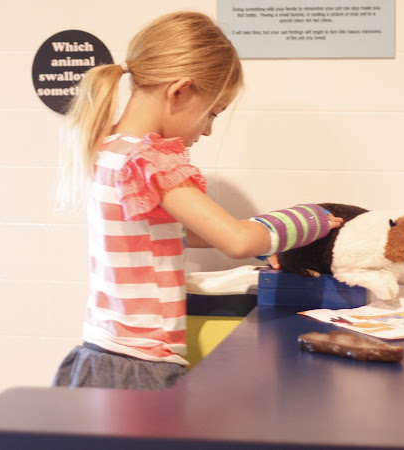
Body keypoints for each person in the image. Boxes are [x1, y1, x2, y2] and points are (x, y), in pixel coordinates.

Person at [52, 11, 343, 390]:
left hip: (99, 356)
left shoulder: (108, 148)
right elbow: (237, 240)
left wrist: (268, 247)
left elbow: (173, 232)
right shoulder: (150, 160)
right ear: (180, 92)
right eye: (212, 114)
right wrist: (313, 219)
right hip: (140, 366)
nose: (207, 130)